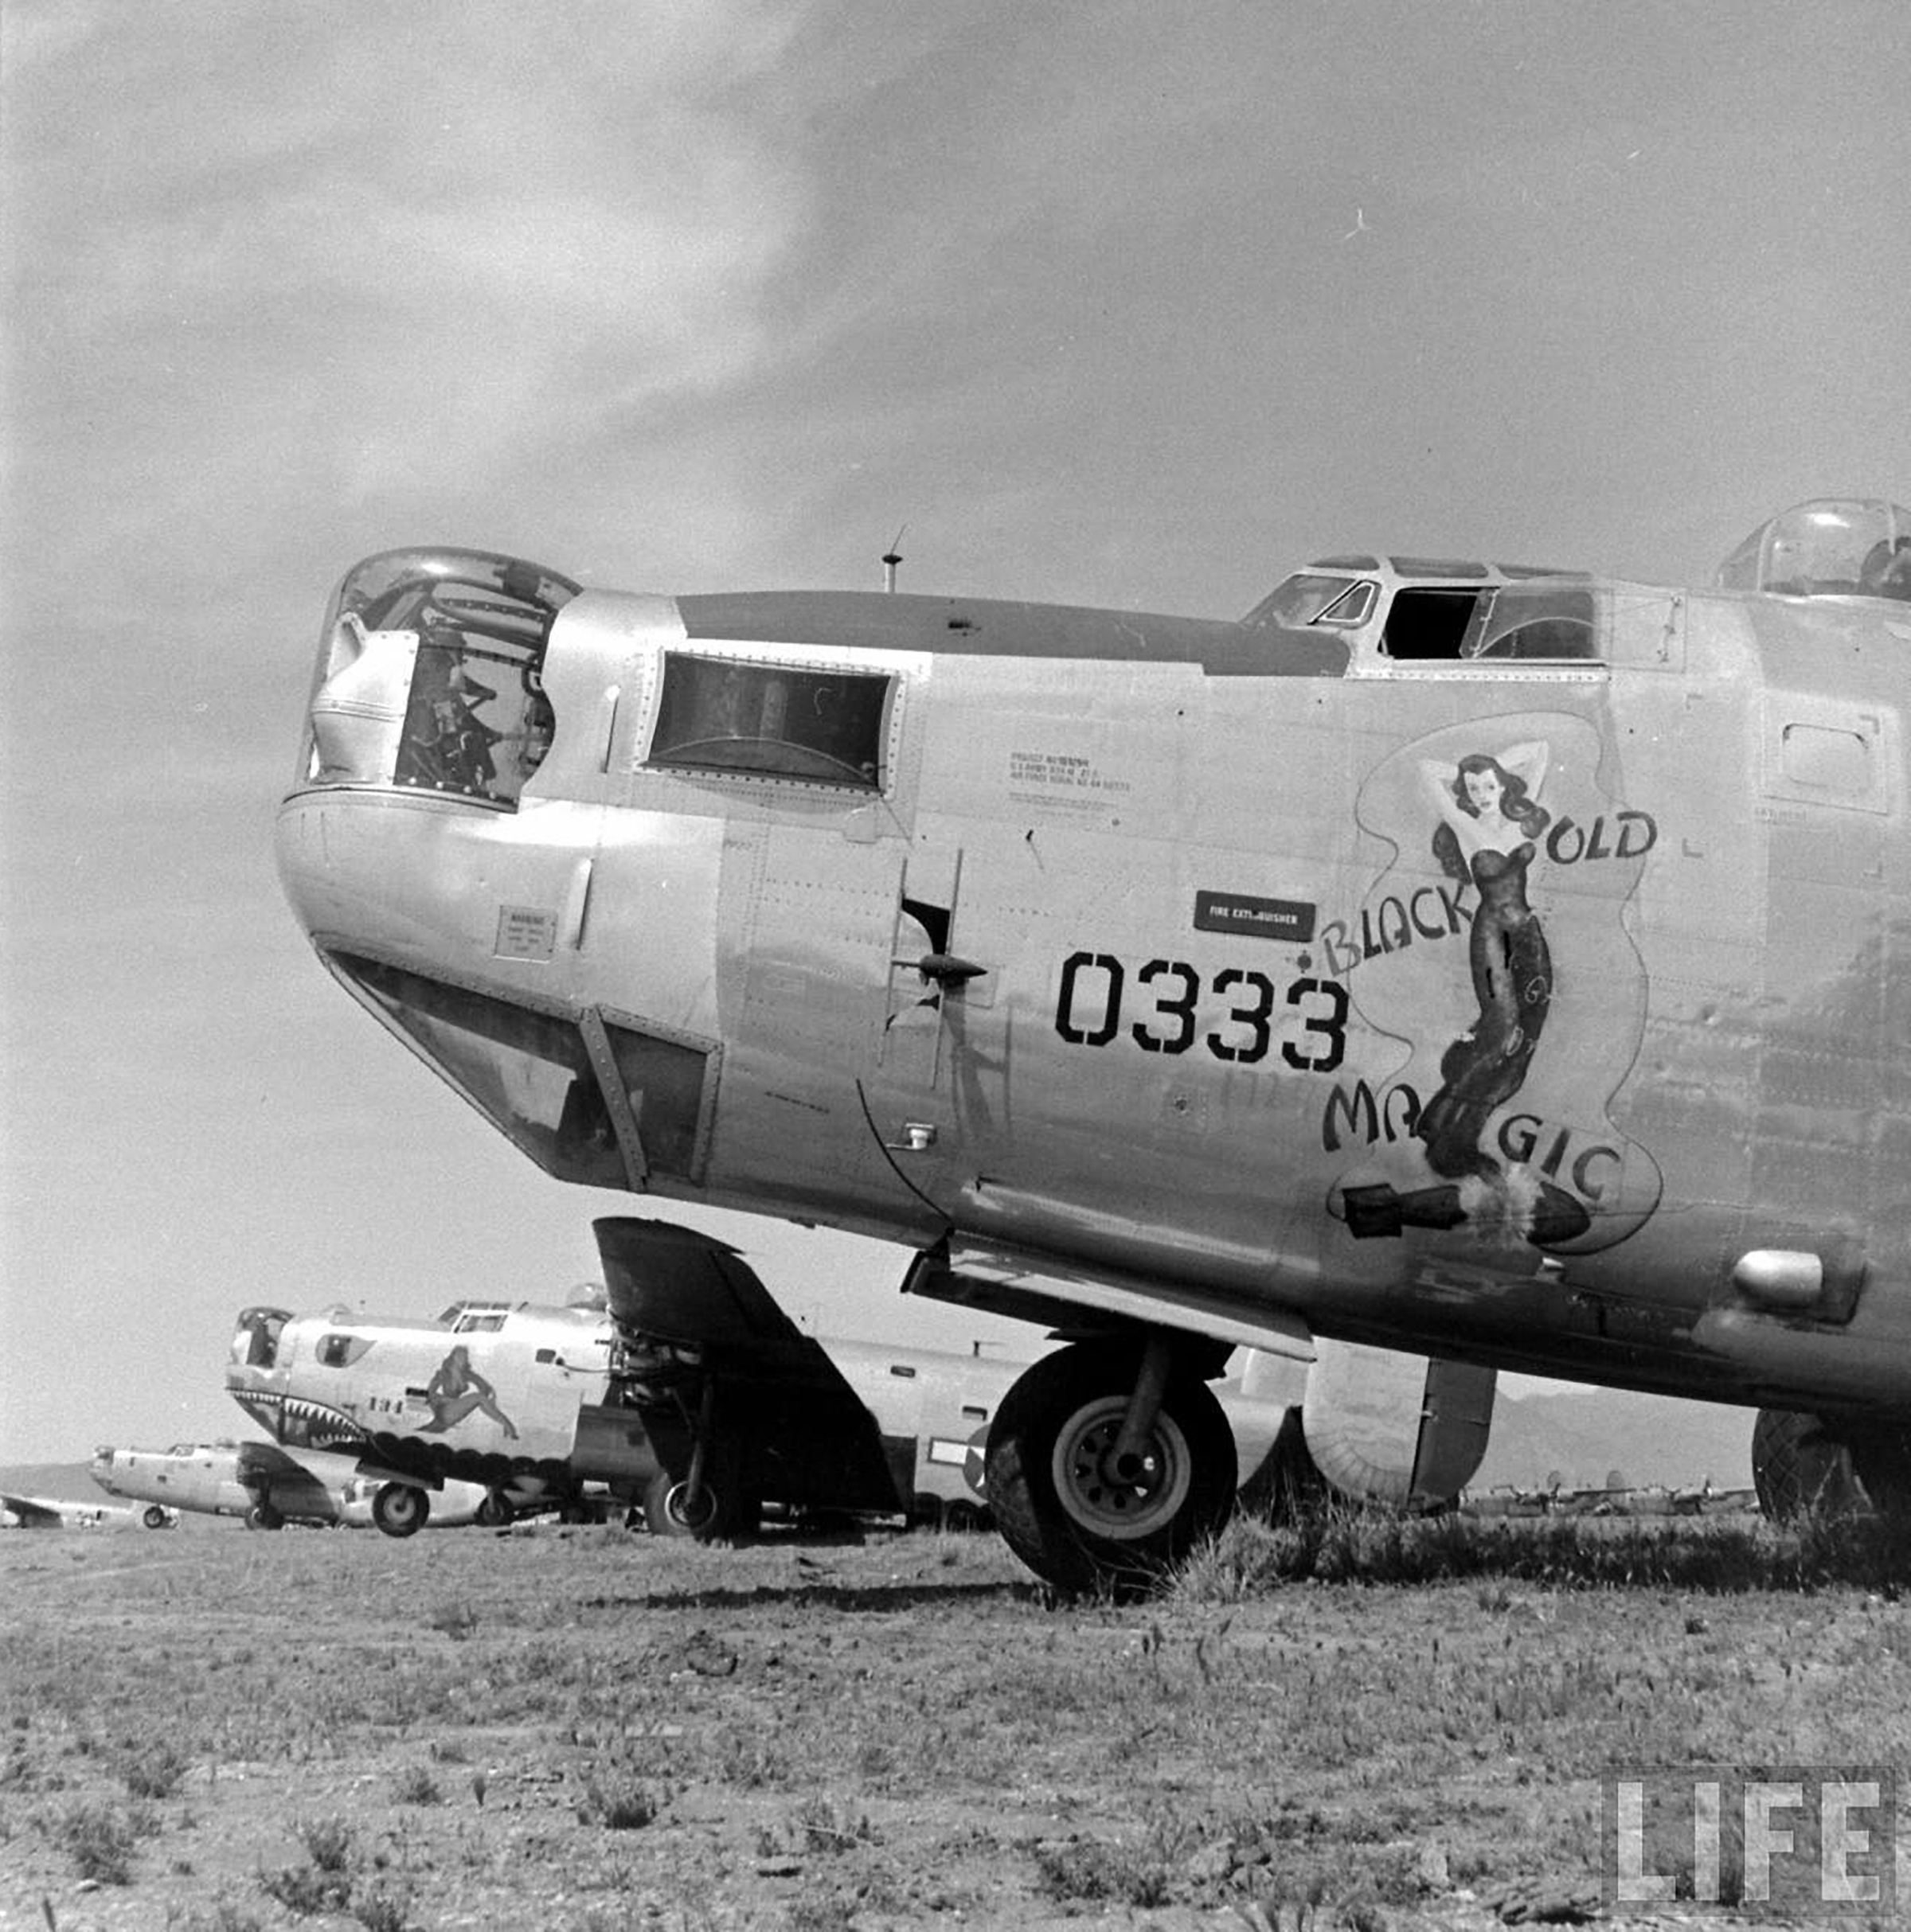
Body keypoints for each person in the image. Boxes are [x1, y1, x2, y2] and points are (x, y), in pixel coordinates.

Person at [1414, 744, 1553, 1182]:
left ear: (1502, 783)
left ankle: (1461, 1136)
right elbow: (1425, 768)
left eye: (1489, 785)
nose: (1481, 794)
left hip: (1528, 935)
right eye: (1472, 789)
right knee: (1499, 1032)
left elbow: (1541, 751)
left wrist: (1494, 769)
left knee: (1523, 1044)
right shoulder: (1465, 825)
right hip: (1493, 933)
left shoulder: (1515, 816)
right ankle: (1442, 1127)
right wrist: (1465, 775)